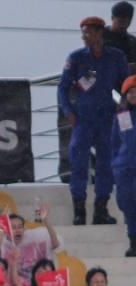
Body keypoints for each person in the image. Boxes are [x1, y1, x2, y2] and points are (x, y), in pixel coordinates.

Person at [59, 16, 129, 225]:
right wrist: (68, 111)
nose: (84, 36)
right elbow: (63, 87)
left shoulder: (116, 57)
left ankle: (101, 208)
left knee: (106, 163)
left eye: (88, 32)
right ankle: (79, 210)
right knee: (79, 161)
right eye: (83, 32)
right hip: (83, 118)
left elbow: (124, 86)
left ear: (99, 33)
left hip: (107, 118)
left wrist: (124, 107)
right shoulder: (76, 57)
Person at [112, 74, 136, 256]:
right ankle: (133, 242)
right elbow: (114, 142)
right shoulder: (121, 115)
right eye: (131, 92)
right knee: (127, 204)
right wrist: (116, 164)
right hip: (125, 168)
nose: (134, 95)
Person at [105, 2, 136, 70]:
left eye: (126, 22)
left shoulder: (132, 42)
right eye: (120, 22)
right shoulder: (99, 36)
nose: (123, 26)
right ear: (112, 18)